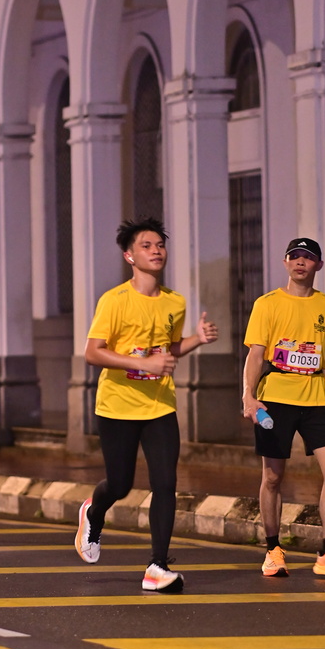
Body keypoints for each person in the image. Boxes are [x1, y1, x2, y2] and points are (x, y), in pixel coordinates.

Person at [75, 216, 218, 592]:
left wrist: (197, 339)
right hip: (117, 406)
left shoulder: (175, 302)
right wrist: (143, 364)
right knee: (119, 484)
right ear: (129, 256)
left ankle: (157, 565)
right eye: (146, 246)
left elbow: (168, 349)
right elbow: (93, 352)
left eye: (160, 245)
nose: (156, 251)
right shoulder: (114, 300)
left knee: (166, 483)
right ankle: (94, 512)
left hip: (159, 405)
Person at [241, 237, 325, 579]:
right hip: (276, 397)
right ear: (285, 263)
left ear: (318, 265)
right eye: (294, 256)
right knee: (272, 476)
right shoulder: (267, 304)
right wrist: (248, 395)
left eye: (307, 257)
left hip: (318, 398)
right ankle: (273, 549)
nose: (300, 262)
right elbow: (255, 355)